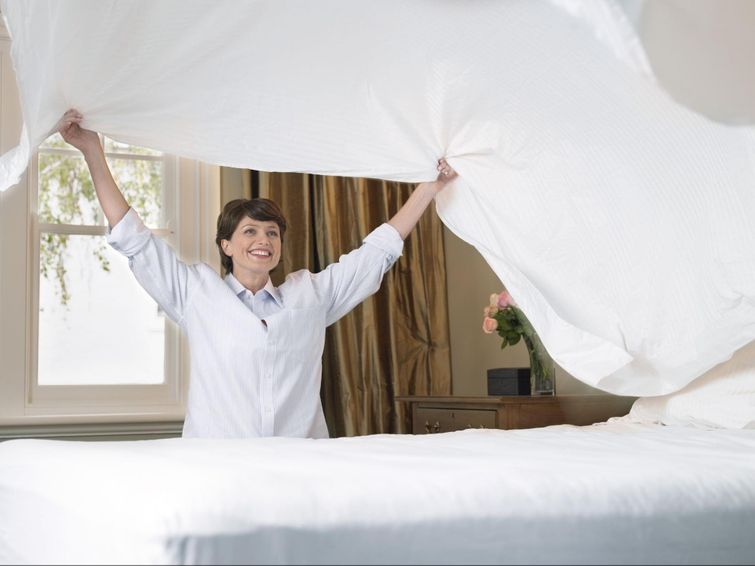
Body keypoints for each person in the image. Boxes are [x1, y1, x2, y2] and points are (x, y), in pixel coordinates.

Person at [57, 108, 458, 439]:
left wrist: (428, 189)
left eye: (272, 232)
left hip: (300, 466)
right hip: (219, 467)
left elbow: (374, 255)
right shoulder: (196, 293)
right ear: (226, 246)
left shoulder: (310, 296)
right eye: (249, 231)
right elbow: (134, 238)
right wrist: (93, 151)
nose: (263, 239)